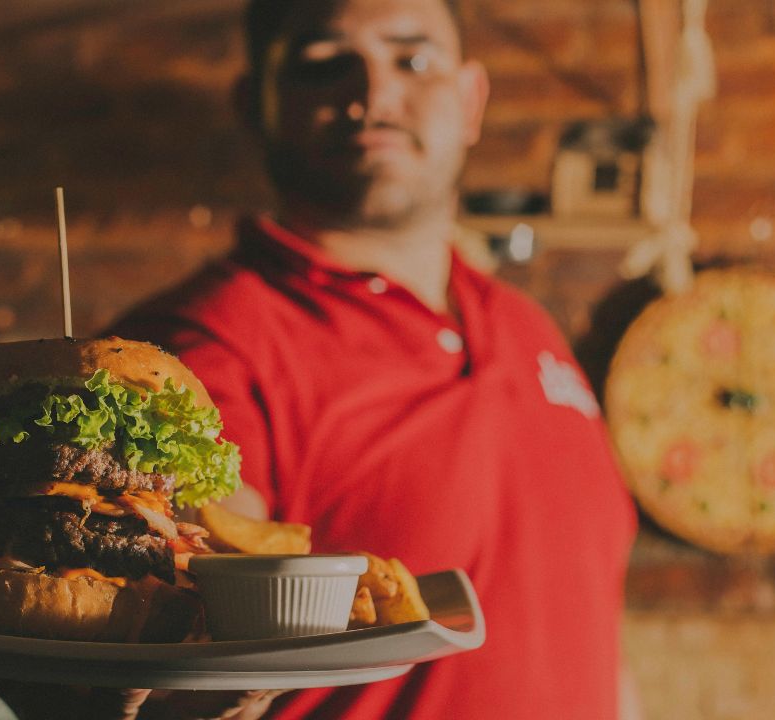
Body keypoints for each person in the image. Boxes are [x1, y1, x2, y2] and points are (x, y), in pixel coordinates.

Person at [100, 0, 640, 718]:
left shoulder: (528, 328)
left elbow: (593, 628)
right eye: (322, 66)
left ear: (471, 99)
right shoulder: (202, 346)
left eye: (412, 59)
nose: (374, 96)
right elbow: (179, 679)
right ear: (254, 104)